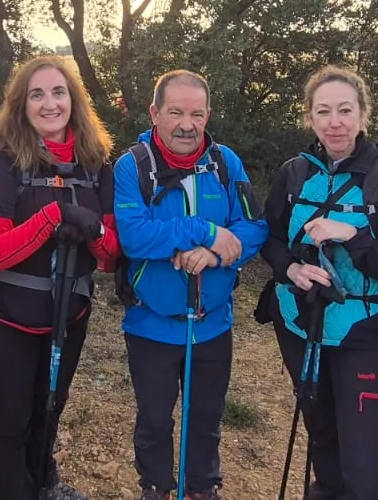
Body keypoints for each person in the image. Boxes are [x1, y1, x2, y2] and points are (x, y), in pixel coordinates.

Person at [257, 66, 378, 499]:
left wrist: (355, 237)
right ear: (310, 118)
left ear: (364, 115)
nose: (335, 121)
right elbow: (270, 238)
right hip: (298, 324)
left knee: (362, 460)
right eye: (324, 111)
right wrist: (290, 270)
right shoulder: (293, 174)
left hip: (360, 333)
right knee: (323, 436)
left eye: (345, 110)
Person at [0, 56, 121, 500]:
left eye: (58, 92)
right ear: (21, 105)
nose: (49, 103)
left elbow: (109, 255)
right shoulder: (1, 163)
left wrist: (90, 231)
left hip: (65, 316)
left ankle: (42, 483)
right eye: (37, 94)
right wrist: (54, 216)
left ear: (74, 100)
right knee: (12, 420)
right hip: (1, 318)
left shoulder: (96, 165)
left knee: (49, 410)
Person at [112, 70, 270, 500]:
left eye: (196, 114)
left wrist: (215, 253)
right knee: (154, 420)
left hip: (212, 323)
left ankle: (203, 488)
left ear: (208, 116)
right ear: (155, 113)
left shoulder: (224, 162)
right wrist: (202, 230)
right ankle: (156, 488)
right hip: (151, 323)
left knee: (205, 417)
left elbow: (254, 227)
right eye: (176, 112)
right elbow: (134, 236)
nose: (186, 124)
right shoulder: (133, 166)